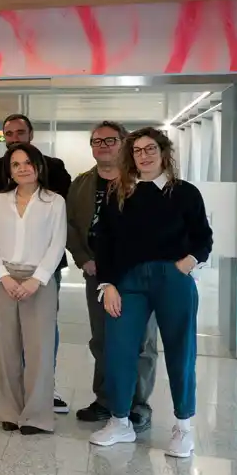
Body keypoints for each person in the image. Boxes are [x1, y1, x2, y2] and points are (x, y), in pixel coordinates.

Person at [89, 128, 212, 458]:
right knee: (118, 351)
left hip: (172, 278)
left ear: (163, 152)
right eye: (137, 150)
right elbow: (104, 242)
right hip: (127, 282)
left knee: (179, 352)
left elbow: (203, 237)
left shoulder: (185, 193)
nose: (143, 155)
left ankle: (183, 427)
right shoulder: (119, 193)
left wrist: (187, 263)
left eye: (150, 148)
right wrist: (108, 283)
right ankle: (120, 422)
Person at [0, 113, 72, 414]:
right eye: (9, 133)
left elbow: (57, 242)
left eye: (27, 163)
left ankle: (38, 408)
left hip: (41, 277)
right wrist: (3, 276)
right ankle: (8, 406)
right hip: (4, 276)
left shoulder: (55, 197)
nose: (22, 168)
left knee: (40, 346)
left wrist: (37, 279)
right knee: (6, 347)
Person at [69, 121, 158, 428]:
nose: (102, 146)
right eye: (96, 141)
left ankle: (138, 403)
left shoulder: (143, 181)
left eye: (109, 140)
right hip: (96, 273)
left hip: (139, 275)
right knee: (103, 338)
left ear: (123, 144)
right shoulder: (80, 184)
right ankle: (106, 399)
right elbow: (69, 226)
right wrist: (83, 259)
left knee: (141, 341)